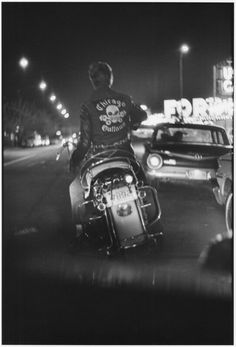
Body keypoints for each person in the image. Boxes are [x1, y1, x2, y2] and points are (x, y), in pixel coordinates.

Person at [69, 61, 147, 236]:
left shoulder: (88, 105)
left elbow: (85, 142)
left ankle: (80, 233)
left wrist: (75, 159)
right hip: (125, 157)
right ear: (110, 78)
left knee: (74, 189)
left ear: (93, 81)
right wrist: (133, 122)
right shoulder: (125, 99)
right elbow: (142, 114)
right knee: (144, 185)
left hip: (98, 160)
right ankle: (151, 220)